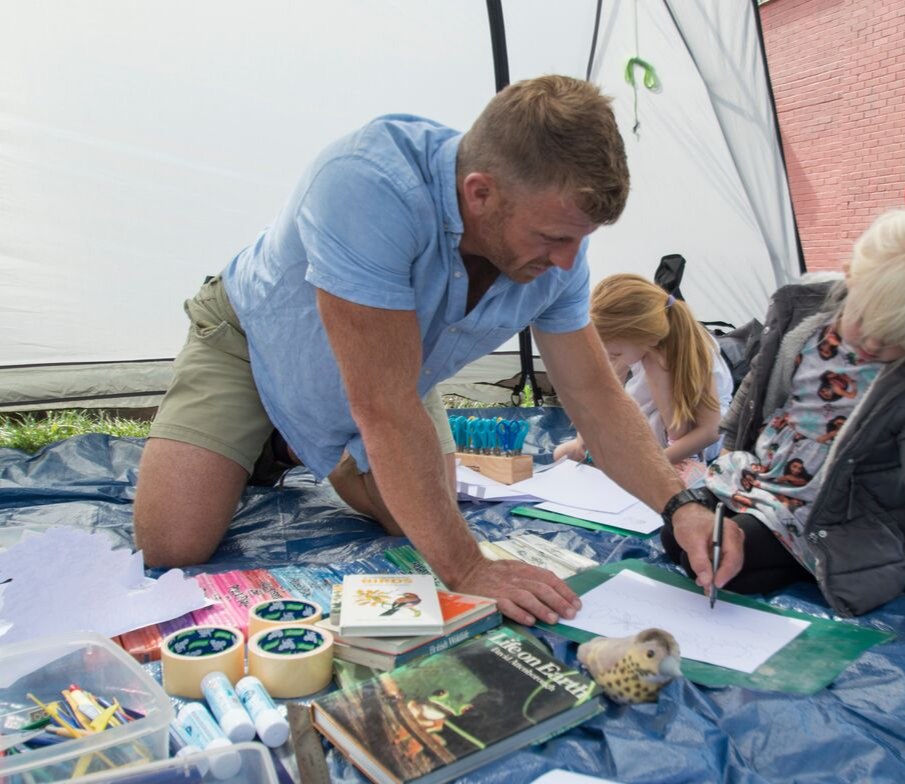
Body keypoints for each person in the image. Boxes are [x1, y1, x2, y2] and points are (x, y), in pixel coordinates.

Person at [133, 75, 742, 626]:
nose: (566, 262)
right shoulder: (367, 184)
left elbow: (596, 399)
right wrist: (470, 570)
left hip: (390, 364)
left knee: (418, 517)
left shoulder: (559, 250)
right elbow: (384, 406)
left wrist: (680, 502)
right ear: (480, 194)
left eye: (578, 242)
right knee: (174, 544)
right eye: (554, 237)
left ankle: (302, 440)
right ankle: (276, 430)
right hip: (257, 337)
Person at [661, 207, 905, 646]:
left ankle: (773, 551)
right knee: (677, 532)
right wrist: (725, 452)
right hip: (761, 476)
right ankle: (740, 534)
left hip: (835, 513)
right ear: (852, 276)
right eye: (866, 326)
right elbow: (758, 384)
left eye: (894, 341)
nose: (871, 345)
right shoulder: (805, 319)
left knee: (725, 559)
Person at [553, 273, 733, 465]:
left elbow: (709, 431)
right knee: (563, 453)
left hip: (692, 439)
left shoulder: (682, 353)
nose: (610, 357)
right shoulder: (639, 343)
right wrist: (586, 432)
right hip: (649, 425)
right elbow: (604, 388)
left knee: (655, 365)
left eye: (616, 354)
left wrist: (654, 466)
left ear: (646, 338)